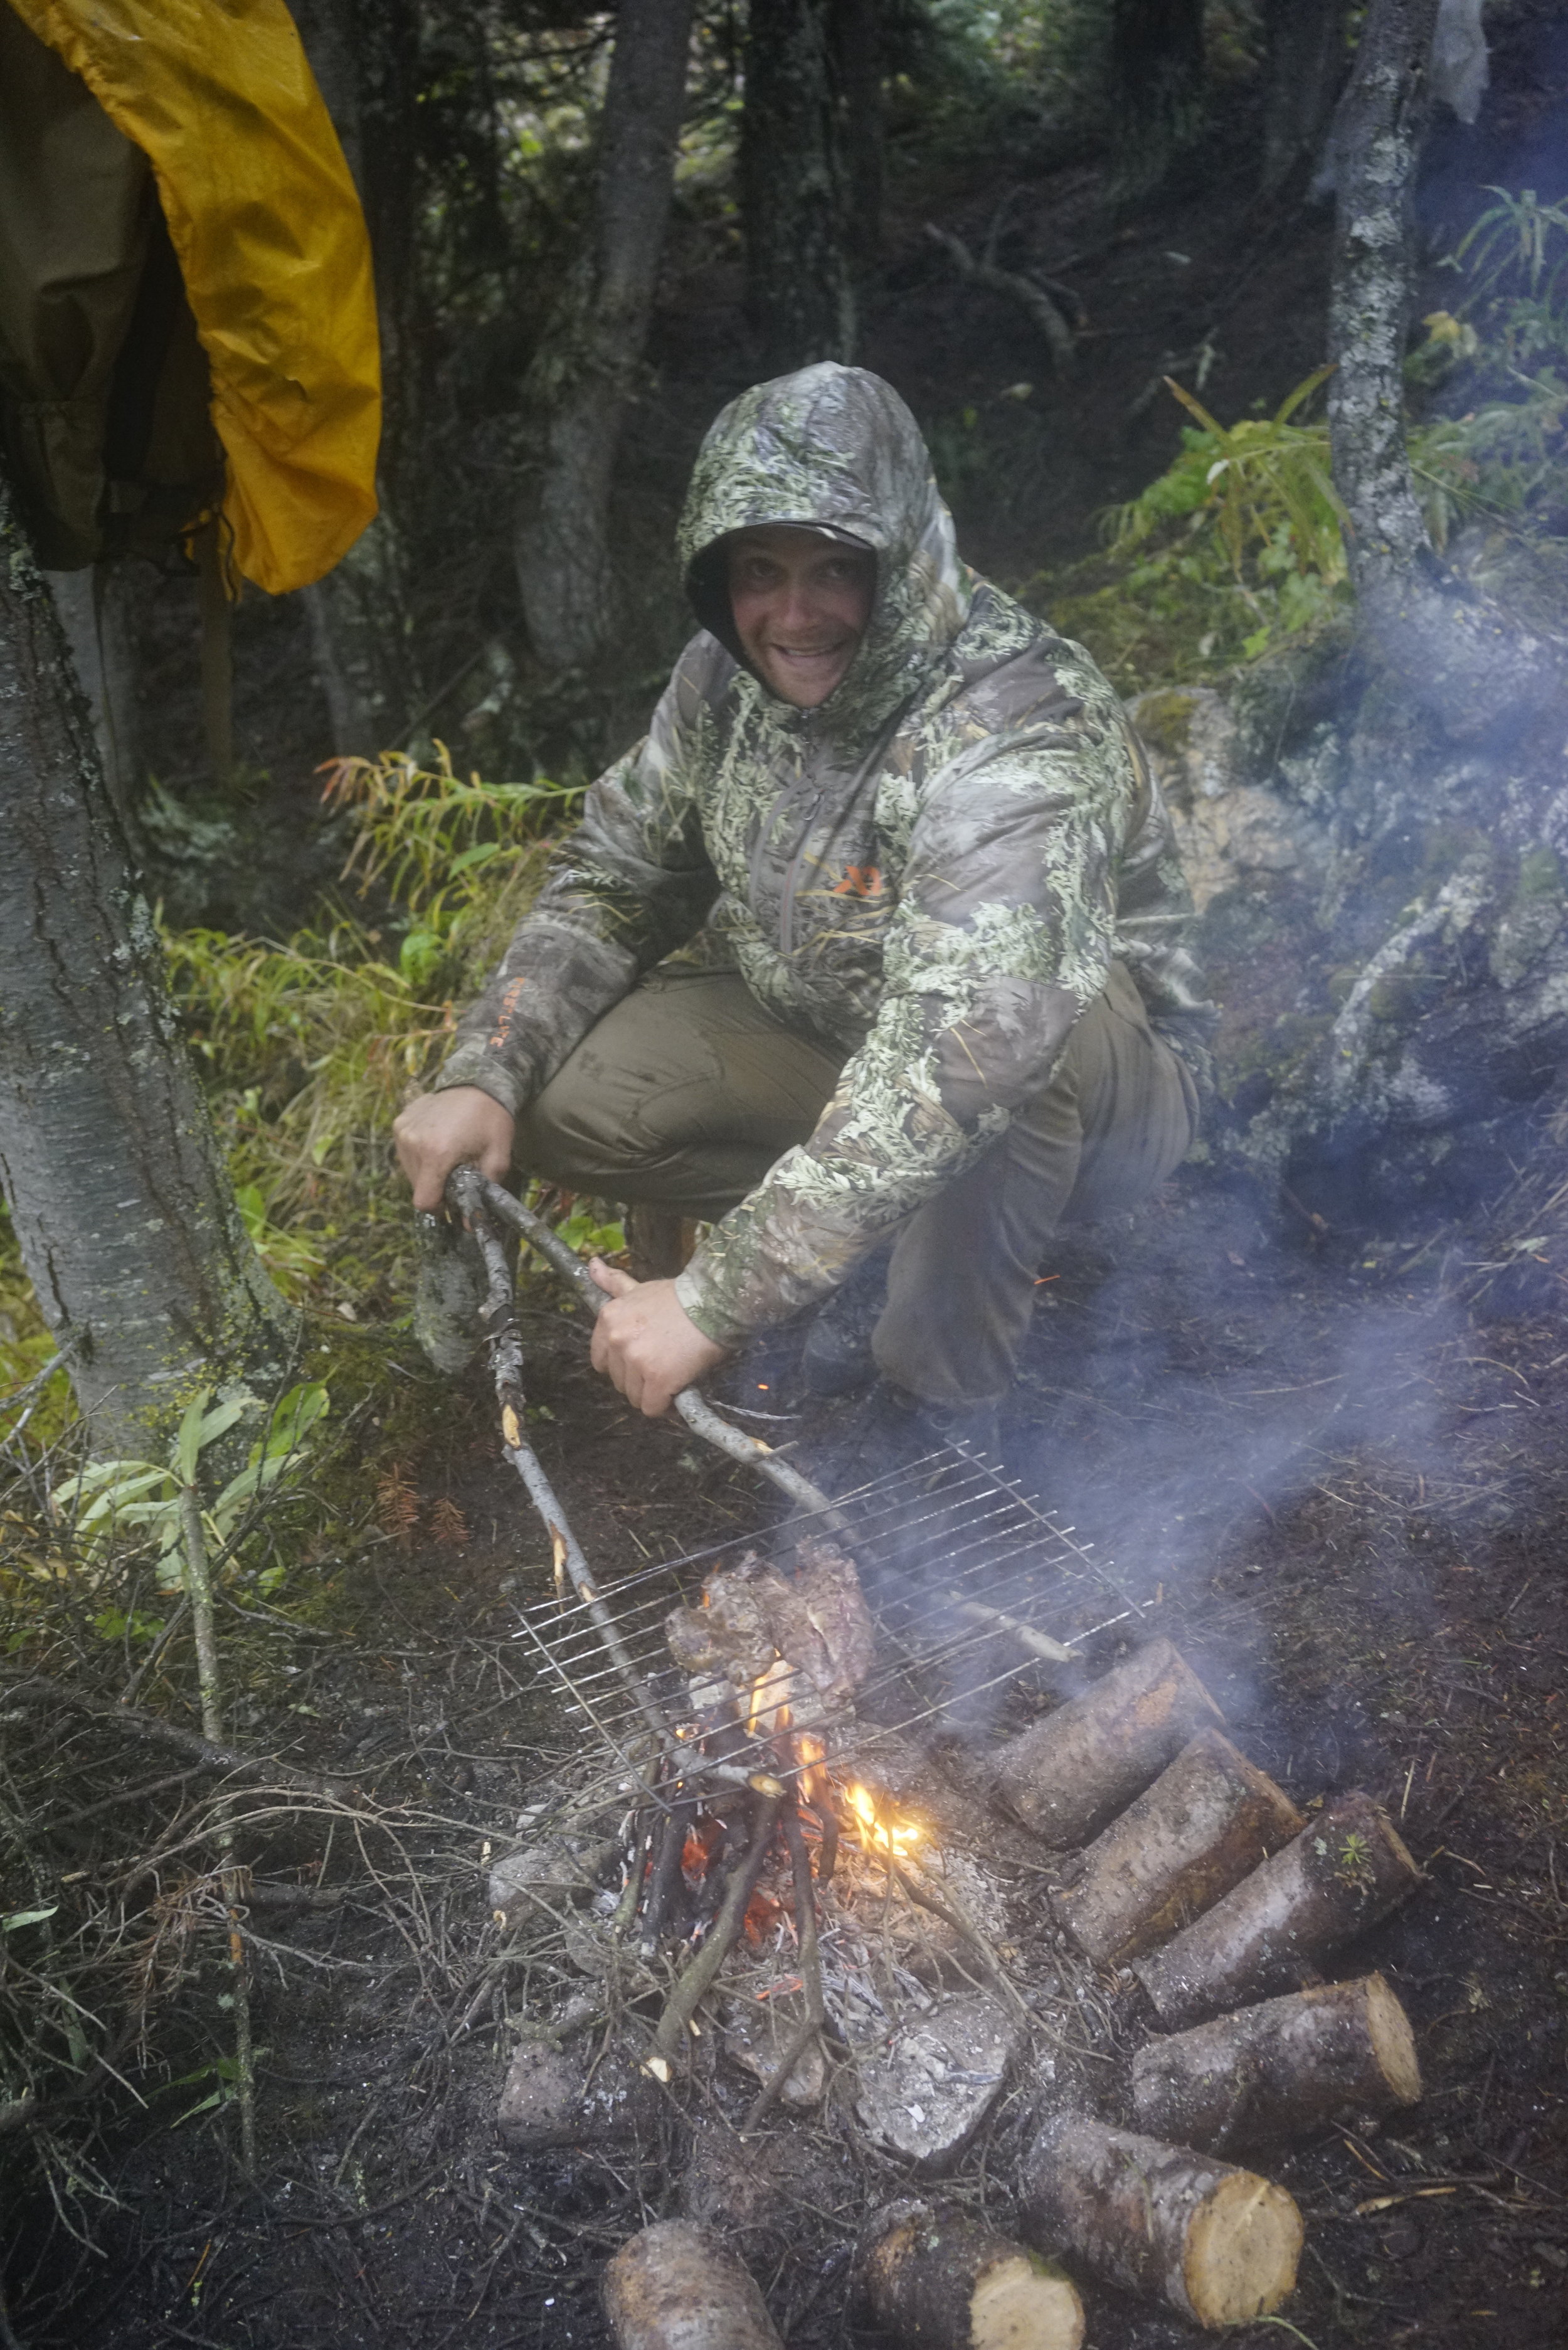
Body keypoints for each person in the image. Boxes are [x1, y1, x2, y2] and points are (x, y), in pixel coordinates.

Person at [395, 363, 1215, 1458]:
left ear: (906, 560)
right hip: (836, 1029)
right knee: (557, 1097)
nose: (794, 613)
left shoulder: (1014, 724)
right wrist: (484, 1066)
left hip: (1100, 1090)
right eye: (760, 571)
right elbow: (617, 871)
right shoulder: (723, 680)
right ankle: (869, 1225)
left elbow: (977, 1040)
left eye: (838, 568)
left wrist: (717, 1297)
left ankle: (940, 1417)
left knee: (1008, 1074)